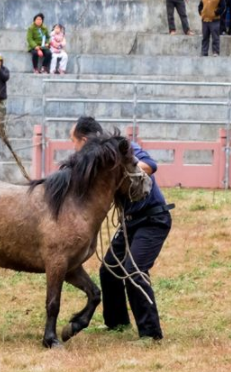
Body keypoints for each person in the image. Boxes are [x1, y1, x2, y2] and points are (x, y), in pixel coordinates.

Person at [70, 116, 173, 341]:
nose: (74, 148)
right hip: (130, 221)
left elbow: (151, 166)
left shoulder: (122, 148)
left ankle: (150, 334)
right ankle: (117, 323)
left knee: (134, 270)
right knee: (109, 270)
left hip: (152, 219)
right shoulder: (94, 162)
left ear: (85, 140)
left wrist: (121, 169)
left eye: (74, 142)